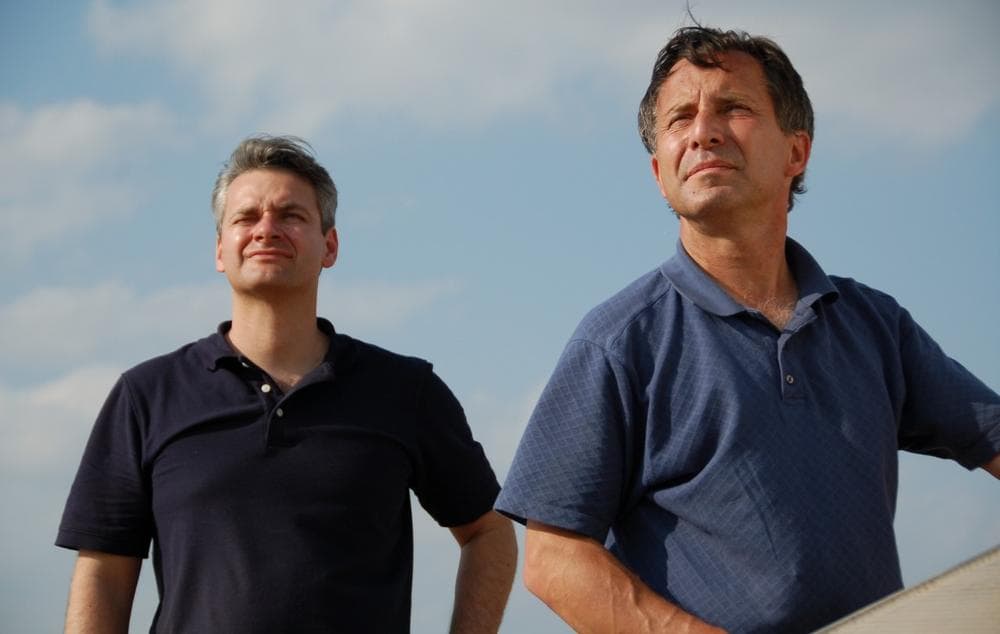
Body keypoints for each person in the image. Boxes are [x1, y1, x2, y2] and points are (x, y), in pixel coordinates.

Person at [495, 25, 1000, 633]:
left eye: (733, 108)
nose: (703, 132)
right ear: (659, 173)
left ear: (796, 152)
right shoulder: (616, 341)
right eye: (680, 119)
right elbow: (554, 560)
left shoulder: (873, 323)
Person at [56, 135, 517, 633]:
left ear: (330, 246)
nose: (266, 230)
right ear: (219, 250)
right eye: (246, 217)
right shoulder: (147, 395)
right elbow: (104, 567)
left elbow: (488, 532)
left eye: (291, 216)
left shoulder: (407, 390)